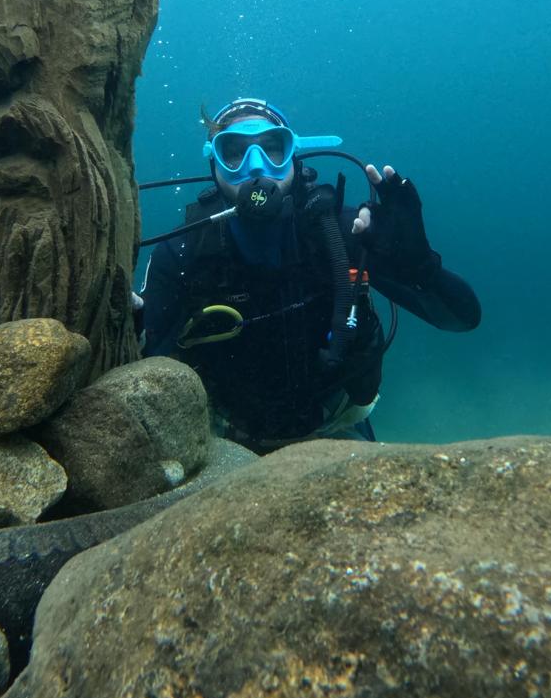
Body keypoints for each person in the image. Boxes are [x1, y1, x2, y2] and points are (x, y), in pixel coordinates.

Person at [139, 98, 481, 453]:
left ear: (294, 157)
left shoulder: (347, 232)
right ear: (215, 165)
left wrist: (422, 268)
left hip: (337, 426)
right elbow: (146, 369)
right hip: (224, 441)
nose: (257, 168)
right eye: (235, 152)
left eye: (274, 148)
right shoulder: (182, 253)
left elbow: (462, 319)